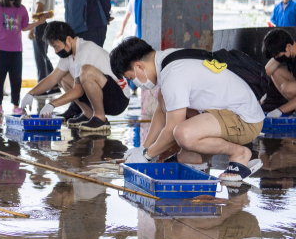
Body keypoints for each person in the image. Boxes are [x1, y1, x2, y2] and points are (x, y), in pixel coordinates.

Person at [110, 37, 265, 181]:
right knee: (164, 97)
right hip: (227, 111)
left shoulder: (173, 75)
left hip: (245, 120)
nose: (135, 83)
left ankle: (239, 153)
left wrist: (148, 156)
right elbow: (162, 112)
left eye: (131, 78)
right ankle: (190, 157)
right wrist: (143, 149)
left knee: (183, 134)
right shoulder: (167, 59)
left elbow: (172, 129)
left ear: (139, 66)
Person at [20, 21, 130, 131]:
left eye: (57, 47)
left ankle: (100, 118)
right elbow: (52, 78)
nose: (56, 51)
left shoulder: (85, 50)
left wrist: (52, 104)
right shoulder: (67, 55)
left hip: (119, 99)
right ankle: (88, 113)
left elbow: (78, 91)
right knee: (62, 76)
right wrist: (30, 93)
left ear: (68, 39)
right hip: (104, 94)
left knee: (86, 71)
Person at [59, 0, 112, 120]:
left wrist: (103, 16)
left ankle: (98, 115)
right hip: (73, 28)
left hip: (92, 26)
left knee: (87, 70)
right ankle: (82, 110)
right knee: (71, 70)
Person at [0, 0, 47, 117]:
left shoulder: (21, 9)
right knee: (0, 79)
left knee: (16, 78)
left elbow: (24, 27)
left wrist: (38, 23)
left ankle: (16, 106)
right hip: (0, 49)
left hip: (16, 50)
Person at [28, 0, 59, 96]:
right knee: (44, 55)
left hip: (40, 24)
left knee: (40, 57)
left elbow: (39, 7)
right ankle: (54, 85)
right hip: (46, 23)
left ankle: (43, 86)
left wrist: (31, 27)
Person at [262, 28, 296, 117]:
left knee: (287, 88)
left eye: (277, 55)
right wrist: (261, 92)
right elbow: (267, 71)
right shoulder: (289, 51)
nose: (276, 58)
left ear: (288, 46)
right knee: (276, 72)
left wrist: (280, 110)